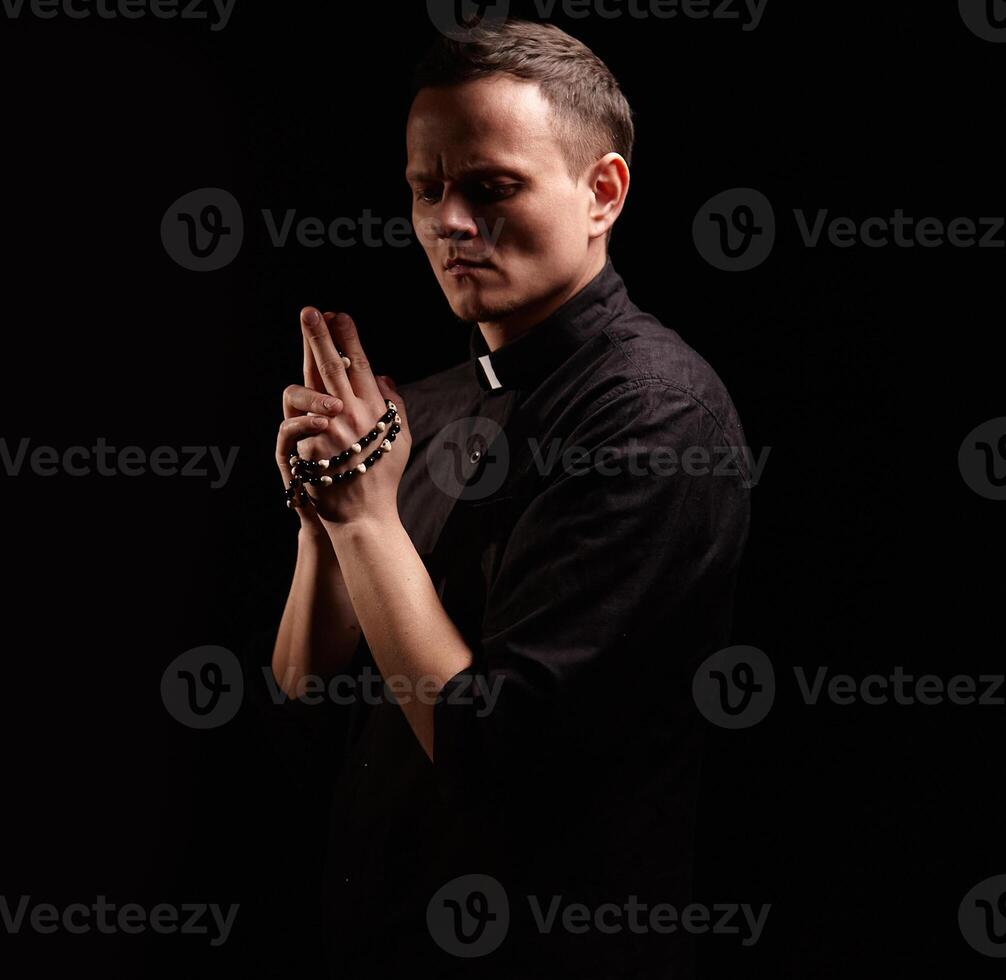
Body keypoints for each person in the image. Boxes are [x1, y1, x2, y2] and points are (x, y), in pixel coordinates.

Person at [252, 19, 753, 979]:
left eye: (491, 188)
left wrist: (364, 513)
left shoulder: (654, 416)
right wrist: (325, 517)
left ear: (602, 193)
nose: (448, 222)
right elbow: (303, 724)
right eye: (425, 189)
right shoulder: (424, 409)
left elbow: (497, 756)